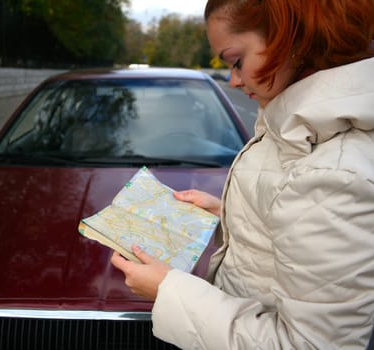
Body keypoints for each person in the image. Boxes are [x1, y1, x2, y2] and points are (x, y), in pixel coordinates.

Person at [111, 0, 374, 348]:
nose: (233, 80)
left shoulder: (332, 172)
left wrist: (168, 291)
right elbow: (296, 217)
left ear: (289, 36)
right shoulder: (302, 128)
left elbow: (309, 344)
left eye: (236, 61)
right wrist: (229, 216)